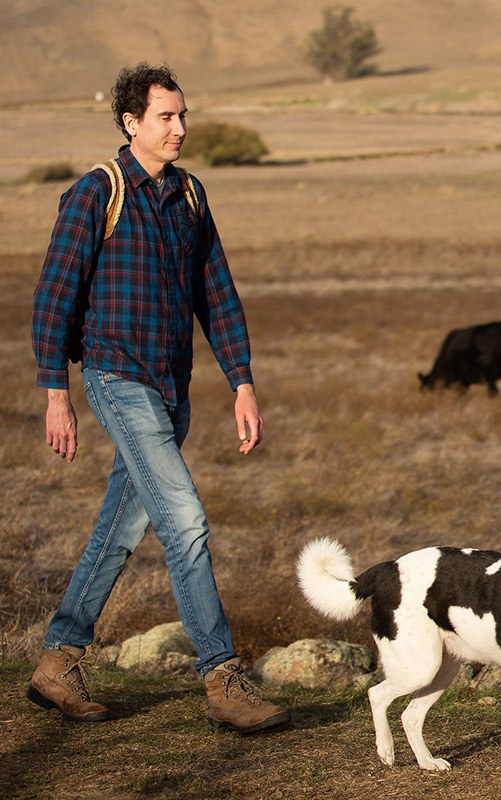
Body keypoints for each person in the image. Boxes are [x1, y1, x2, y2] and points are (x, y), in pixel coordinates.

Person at [27, 63, 289, 733]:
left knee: (120, 531)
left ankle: (57, 659)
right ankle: (222, 677)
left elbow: (217, 295)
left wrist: (243, 383)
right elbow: (55, 296)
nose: (178, 128)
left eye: (182, 115)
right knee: (186, 522)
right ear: (131, 122)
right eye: (165, 117)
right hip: (117, 379)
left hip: (173, 390)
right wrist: (55, 389)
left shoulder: (191, 196)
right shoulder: (97, 194)